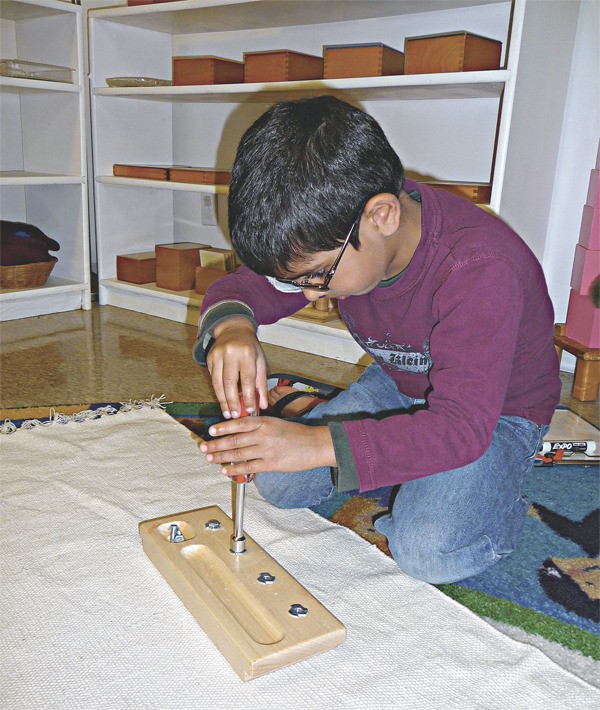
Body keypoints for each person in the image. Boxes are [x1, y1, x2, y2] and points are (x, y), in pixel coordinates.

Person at [194, 95, 561, 584]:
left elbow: (460, 428)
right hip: (398, 381)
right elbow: (244, 289)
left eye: (318, 276)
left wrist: (318, 444)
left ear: (382, 216)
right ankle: (360, 432)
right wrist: (233, 327)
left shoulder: (481, 269)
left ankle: (500, 490)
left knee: (428, 550)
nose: (308, 294)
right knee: (279, 483)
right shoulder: (340, 230)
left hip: (496, 412)